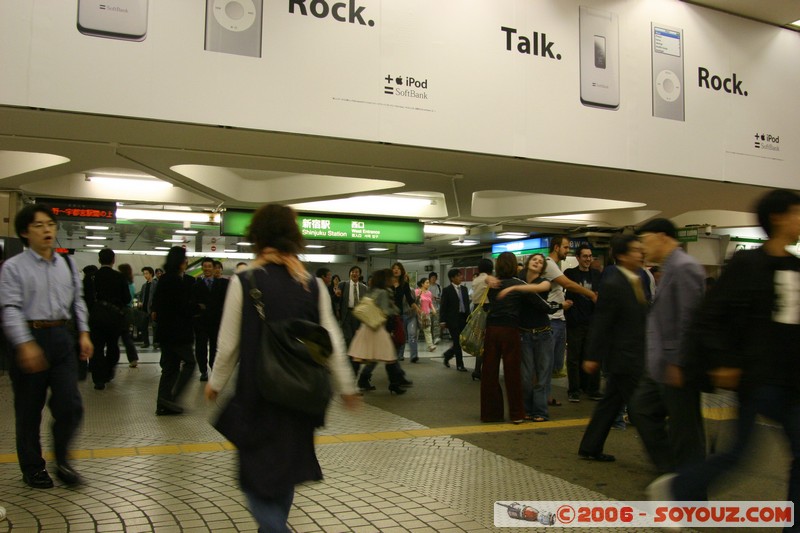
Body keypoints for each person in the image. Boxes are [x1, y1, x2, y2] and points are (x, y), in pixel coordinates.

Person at [204, 204, 359, 532]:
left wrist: (215, 382)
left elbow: (229, 343)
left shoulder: (245, 281)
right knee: (283, 475)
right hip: (300, 398)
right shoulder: (312, 285)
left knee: (255, 480)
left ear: (256, 237)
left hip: (257, 395)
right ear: (293, 237)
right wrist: (346, 386)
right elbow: (331, 341)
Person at [649, 189, 800, 520]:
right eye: (796, 213)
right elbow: (708, 318)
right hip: (757, 377)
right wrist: (724, 361)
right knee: (738, 454)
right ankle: (675, 489)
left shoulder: (795, 267)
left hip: (790, 380)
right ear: (778, 218)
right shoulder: (748, 264)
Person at [0, 204, 93, 488]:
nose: (47, 230)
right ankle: (33, 467)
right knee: (29, 409)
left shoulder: (66, 264)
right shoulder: (13, 267)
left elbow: (77, 300)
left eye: (50, 224)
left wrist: (84, 333)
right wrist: (25, 343)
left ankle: (62, 461)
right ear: (25, 232)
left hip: (61, 339)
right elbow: (10, 308)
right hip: (29, 338)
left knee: (70, 405)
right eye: (39, 225)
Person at [630, 218, 706, 475]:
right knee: (640, 409)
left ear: (662, 236)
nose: (641, 247)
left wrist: (678, 362)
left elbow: (690, 319)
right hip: (661, 365)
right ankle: (672, 471)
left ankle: (691, 491)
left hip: (677, 366)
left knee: (686, 431)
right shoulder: (669, 268)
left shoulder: (685, 267)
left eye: (644, 239)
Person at [578, 235, 648, 462]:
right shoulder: (614, 282)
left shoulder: (636, 279)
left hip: (630, 354)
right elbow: (602, 322)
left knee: (609, 404)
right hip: (623, 356)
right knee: (640, 408)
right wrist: (592, 356)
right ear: (622, 255)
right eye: (636, 250)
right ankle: (665, 458)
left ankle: (590, 446)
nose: (640, 253)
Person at [543, 235, 598, 406]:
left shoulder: (555, 266)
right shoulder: (551, 265)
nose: (568, 250)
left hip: (560, 320)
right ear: (557, 247)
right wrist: (590, 294)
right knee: (548, 363)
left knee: (553, 364)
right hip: (554, 321)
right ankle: (542, 400)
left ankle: (545, 397)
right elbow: (569, 284)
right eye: (566, 247)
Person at [481, 252, 529, 424]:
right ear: (515, 265)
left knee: (489, 373)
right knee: (512, 373)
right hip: (511, 330)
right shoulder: (519, 284)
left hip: (492, 329)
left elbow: (482, 282)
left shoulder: (493, 284)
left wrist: (487, 278)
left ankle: (490, 414)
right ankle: (516, 414)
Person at [152, 246, 197, 415]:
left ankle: (162, 404)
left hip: (165, 332)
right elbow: (183, 307)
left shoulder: (164, 279)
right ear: (180, 262)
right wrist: (196, 308)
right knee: (190, 363)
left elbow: (158, 305)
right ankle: (172, 398)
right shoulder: (176, 281)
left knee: (170, 368)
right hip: (178, 333)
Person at [349, 268, 407, 394]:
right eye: (391, 277)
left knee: (358, 358)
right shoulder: (384, 292)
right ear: (385, 279)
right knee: (389, 357)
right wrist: (395, 310)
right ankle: (395, 384)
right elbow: (386, 311)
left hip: (366, 327)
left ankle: (350, 387)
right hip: (377, 328)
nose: (393, 279)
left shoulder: (372, 290)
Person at [516, 254, 554, 422]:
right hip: (523, 334)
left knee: (542, 375)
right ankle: (527, 409)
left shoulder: (544, 282)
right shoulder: (517, 279)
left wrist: (515, 288)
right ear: (528, 262)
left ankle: (540, 411)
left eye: (540, 262)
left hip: (543, 333)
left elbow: (536, 291)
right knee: (525, 376)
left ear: (542, 268)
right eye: (534, 260)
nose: (537, 262)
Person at [564, 245, 603, 402]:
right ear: (578, 258)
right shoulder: (570, 274)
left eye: (590, 256)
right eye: (585, 256)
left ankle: (592, 388)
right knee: (574, 357)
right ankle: (574, 389)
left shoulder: (597, 275)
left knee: (592, 355)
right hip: (575, 322)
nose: (588, 259)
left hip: (592, 321)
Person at [89, 248, 130, 389]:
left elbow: (86, 299)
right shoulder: (120, 277)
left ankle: (98, 380)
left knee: (97, 348)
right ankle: (108, 371)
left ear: (99, 260)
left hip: (96, 317)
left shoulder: (92, 277)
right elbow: (127, 298)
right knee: (113, 345)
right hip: (114, 317)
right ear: (113, 260)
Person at [192, 257, 229, 381]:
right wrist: (197, 307)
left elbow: (226, 301)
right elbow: (192, 301)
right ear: (202, 268)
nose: (207, 269)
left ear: (214, 268)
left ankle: (213, 367)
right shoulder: (196, 284)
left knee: (215, 346)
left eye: (209, 266)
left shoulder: (222, 284)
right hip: (201, 322)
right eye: (205, 266)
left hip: (216, 321)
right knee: (200, 347)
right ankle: (203, 370)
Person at [439, 268, 470, 372]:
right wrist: (442, 321)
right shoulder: (447, 290)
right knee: (457, 342)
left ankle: (447, 355)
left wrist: (469, 318)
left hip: (463, 319)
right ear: (452, 278)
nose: (461, 277)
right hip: (452, 320)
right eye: (458, 275)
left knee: (461, 342)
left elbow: (467, 306)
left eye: (460, 275)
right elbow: (443, 306)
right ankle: (460, 365)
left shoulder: (464, 289)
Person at [468, 259, 494, 380]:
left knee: (480, 342)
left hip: (477, 310)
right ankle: (482, 371)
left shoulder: (475, 280)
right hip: (487, 311)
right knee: (487, 343)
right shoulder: (488, 279)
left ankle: (477, 370)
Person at [392, 262, 420, 362]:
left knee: (400, 337)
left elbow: (410, 300)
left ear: (401, 271)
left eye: (398, 268)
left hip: (398, 315)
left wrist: (417, 309)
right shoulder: (387, 283)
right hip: (388, 314)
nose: (396, 270)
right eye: (394, 268)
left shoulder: (404, 285)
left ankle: (402, 357)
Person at [338, 266, 368, 347]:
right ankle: (348, 356)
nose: (354, 273)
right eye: (352, 272)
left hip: (358, 314)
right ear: (350, 274)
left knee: (356, 336)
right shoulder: (343, 285)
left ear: (359, 275)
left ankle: (354, 356)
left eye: (357, 272)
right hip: (347, 313)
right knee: (348, 337)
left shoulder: (364, 288)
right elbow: (337, 300)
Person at [117, 263, 140, 369]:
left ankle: (114, 359)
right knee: (126, 336)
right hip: (129, 310)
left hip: (122, 310)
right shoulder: (132, 283)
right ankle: (133, 358)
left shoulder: (123, 283)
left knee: (118, 336)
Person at [415, 277, 437, 353]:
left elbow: (430, 303)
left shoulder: (429, 293)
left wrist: (433, 309)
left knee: (427, 330)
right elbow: (414, 302)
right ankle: (414, 346)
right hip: (418, 314)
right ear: (422, 284)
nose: (428, 284)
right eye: (427, 283)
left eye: (428, 283)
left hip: (426, 315)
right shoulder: (417, 291)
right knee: (416, 331)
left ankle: (430, 346)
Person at [137, 266, 156, 348]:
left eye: (146, 273)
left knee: (154, 326)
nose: (145, 275)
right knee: (144, 326)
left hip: (152, 308)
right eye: (144, 274)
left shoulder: (155, 284)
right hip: (144, 308)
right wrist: (140, 302)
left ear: (151, 274)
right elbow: (141, 296)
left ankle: (156, 342)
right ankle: (146, 342)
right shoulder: (144, 285)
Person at [428, 272, 442, 345]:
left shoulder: (439, 287)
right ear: (429, 279)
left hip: (436, 308)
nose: (433, 279)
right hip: (427, 309)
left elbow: (441, 298)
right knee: (428, 325)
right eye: (432, 278)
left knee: (436, 324)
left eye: (434, 278)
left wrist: (437, 298)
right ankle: (429, 339)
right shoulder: (426, 287)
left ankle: (436, 337)